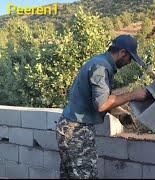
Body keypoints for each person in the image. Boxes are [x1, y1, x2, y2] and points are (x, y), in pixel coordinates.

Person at [55, 35, 148, 179]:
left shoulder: (101, 63)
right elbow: (102, 104)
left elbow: (97, 99)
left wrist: (120, 113)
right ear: (122, 52)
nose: (129, 63)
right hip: (76, 131)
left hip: (71, 128)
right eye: (130, 58)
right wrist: (133, 95)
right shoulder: (101, 67)